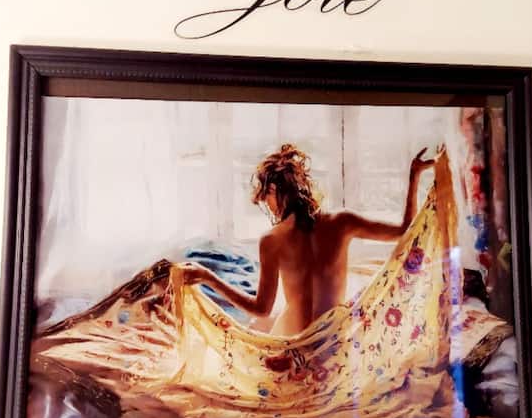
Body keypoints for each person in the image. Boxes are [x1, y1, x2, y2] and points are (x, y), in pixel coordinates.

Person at [181, 143, 436, 335]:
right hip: (331, 347)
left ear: (274, 191)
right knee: (261, 324)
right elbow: (405, 230)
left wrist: (207, 277)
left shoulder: (271, 240)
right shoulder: (342, 222)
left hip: (296, 349)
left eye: (266, 198)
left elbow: (262, 308)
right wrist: (414, 176)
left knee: (256, 326)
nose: (268, 207)